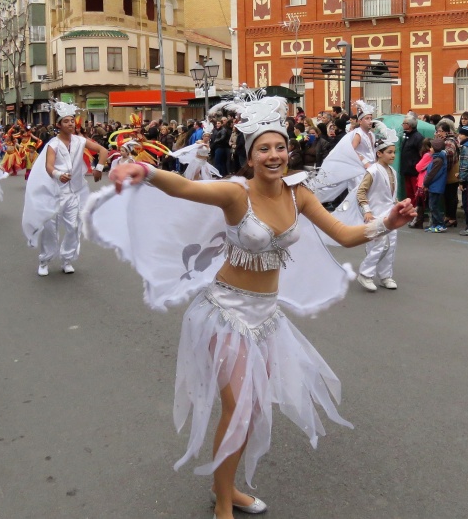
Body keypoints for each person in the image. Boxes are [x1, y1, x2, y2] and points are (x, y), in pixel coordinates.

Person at [90, 95, 416, 518]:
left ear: (288, 150)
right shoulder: (234, 194)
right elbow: (186, 187)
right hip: (224, 314)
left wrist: (386, 223)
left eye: (279, 146)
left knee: (255, 406)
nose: (274, 155)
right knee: (239, 407)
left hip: (267, 318)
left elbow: (344, 234)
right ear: (251, 155)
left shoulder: (298, 195)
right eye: (263, 148)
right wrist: (146, 171)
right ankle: (223, 501)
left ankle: (223, 485)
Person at [22, 102, 109, 277]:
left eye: (72, 121)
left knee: (74, 226)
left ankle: (67, 259)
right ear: (59, 125)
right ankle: (44, 260)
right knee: (50, 229)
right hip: (54, 192)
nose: (70, 124)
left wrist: (99, 167)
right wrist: (57, 175)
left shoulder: (80, 141)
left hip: (73, 192)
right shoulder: (53, 145)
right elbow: (48, 166)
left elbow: (102, 150)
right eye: (66, 121)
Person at [353, 131, 402, 291]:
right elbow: (361, 191)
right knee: (379, 245)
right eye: (389, 152)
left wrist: (398, 205)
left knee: (390, 245)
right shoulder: (373, 171)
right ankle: (365, 274)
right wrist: (366, 210)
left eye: (394, 152)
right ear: (379, 153)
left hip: (391, 215)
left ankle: (385, 275)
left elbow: (390, 195)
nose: (393, 155)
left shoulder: (393, 172)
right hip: (375, 214)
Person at [399, 113, 425, 225]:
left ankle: (416, 214)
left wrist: (417, 166)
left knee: (416, 194)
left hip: (414, 171)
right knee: (409, 193)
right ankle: (411, 212)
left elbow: (422, 154)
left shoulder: (418, 137)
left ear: (409, 125)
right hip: (407, 170)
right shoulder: (406, 135)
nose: (402, 125)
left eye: (404, 123)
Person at [418, 137, 449, 232]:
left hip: (436, 186)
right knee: (432, 206)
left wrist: (425, 184)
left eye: (431, 147)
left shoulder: (438, 160)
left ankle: (440, 224)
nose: (430, 149)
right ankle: (435, 224)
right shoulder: (437, 158)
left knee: (433, 206)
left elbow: (432, 174)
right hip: (434, 186)